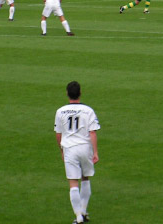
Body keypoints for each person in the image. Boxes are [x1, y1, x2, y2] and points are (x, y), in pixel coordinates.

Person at [54, 81, 100, 224]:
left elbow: (58, 134)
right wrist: (95, 152)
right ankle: (84, 211)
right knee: (85, 178)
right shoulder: (88, 110)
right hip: (85, 148)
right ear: (80, 93)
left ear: (67, 93)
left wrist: (61, 150)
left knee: (73, 182)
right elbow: (92, 132)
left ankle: (79, 216)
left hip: (69, 149)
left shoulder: (60, 111)